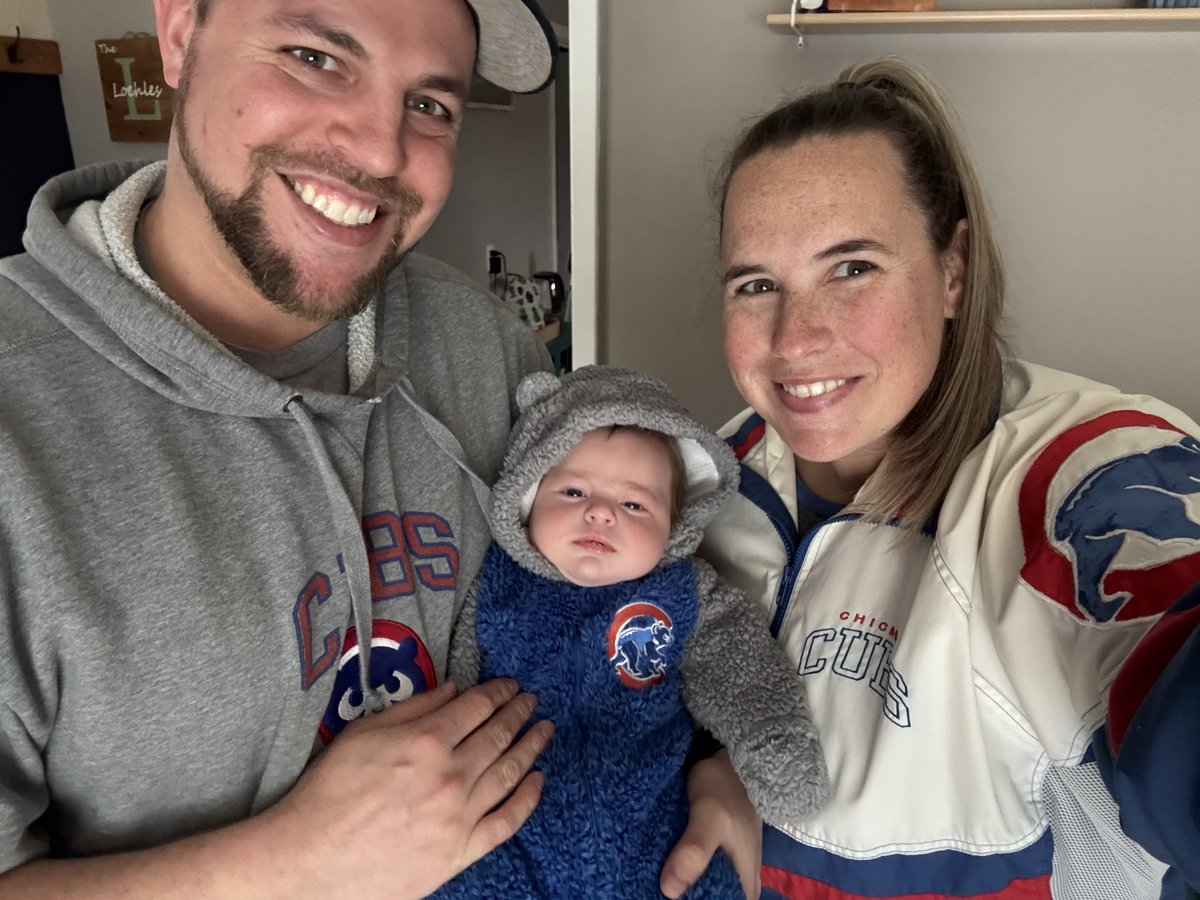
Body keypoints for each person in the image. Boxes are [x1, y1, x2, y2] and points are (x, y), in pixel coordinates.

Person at [0, 1, 752, 896]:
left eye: (430, 104)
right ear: (177, 31)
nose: (380, 151)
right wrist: (295, 865)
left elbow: (614, 587)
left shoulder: (481, 347)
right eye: (316, 56)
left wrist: (710, 758)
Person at [699, 56, 1200, 899]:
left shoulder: (1081, 477)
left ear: (954, 272)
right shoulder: (708, 473)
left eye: (851, 268)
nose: (795, 336)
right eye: (757, 284)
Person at [438, 365, 828, 898]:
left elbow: (742, 670)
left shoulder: (683, 594)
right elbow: (447, 687)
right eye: (573, 491)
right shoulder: (494, 582)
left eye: (634, 504)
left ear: (676, 523)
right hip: (507, 836)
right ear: (528, 496)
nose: (599, 513)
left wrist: (772, 745)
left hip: (649, 834)